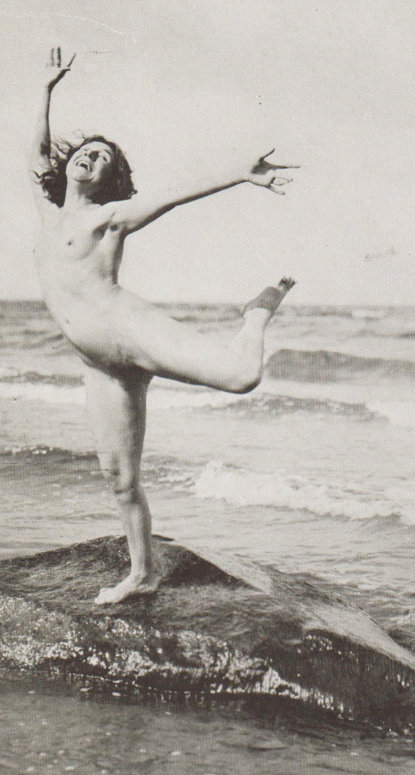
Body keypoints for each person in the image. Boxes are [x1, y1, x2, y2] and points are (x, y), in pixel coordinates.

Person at [29, 50, 297, 604]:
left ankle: (256, 313)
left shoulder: (108, 218)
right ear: (69, 161)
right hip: (100, 366)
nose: (90, 157)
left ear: (109, 180)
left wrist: (238, 174)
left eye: (103, 158)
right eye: (86, 150)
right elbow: (34, 153)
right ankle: (142, 573)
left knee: (242, 376)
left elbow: (167, 197)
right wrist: (45, 90)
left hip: (129, 330)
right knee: (120, 479)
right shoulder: (48, 213)